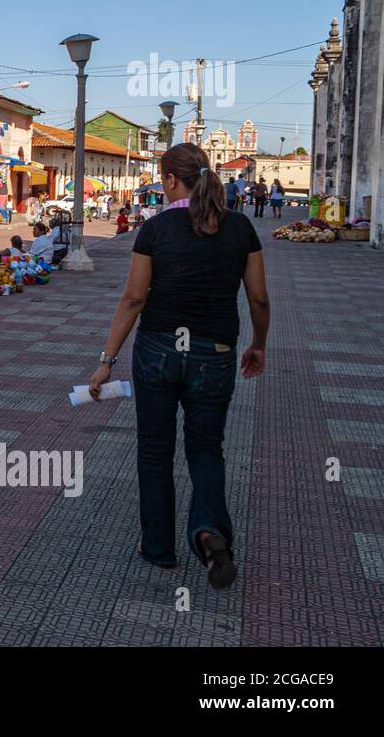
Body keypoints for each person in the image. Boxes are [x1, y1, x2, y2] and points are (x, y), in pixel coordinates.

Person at [88, 144, 268, 591]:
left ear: (169, 180)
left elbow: (133, 298)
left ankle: (158, 547)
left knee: (154, 450)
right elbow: (259, 297)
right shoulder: (240, 228)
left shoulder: (156, 228)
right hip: (217, 353)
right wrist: (259, 344)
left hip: (158, 351)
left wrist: (106, 361)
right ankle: (208, 532)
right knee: (206, 448)